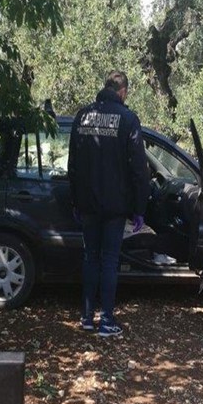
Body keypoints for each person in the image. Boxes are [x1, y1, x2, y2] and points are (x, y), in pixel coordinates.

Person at [68, 71, 150, 337]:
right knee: (109, 261)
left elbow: (73, 164)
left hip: (88, 204)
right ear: (123, 91)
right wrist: (139, 208)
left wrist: (76, 201)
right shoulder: (128, 119)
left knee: (90, 258)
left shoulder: (83, 116)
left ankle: (86, 317)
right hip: (115, 207)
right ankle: (106, 322)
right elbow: (139, 169)